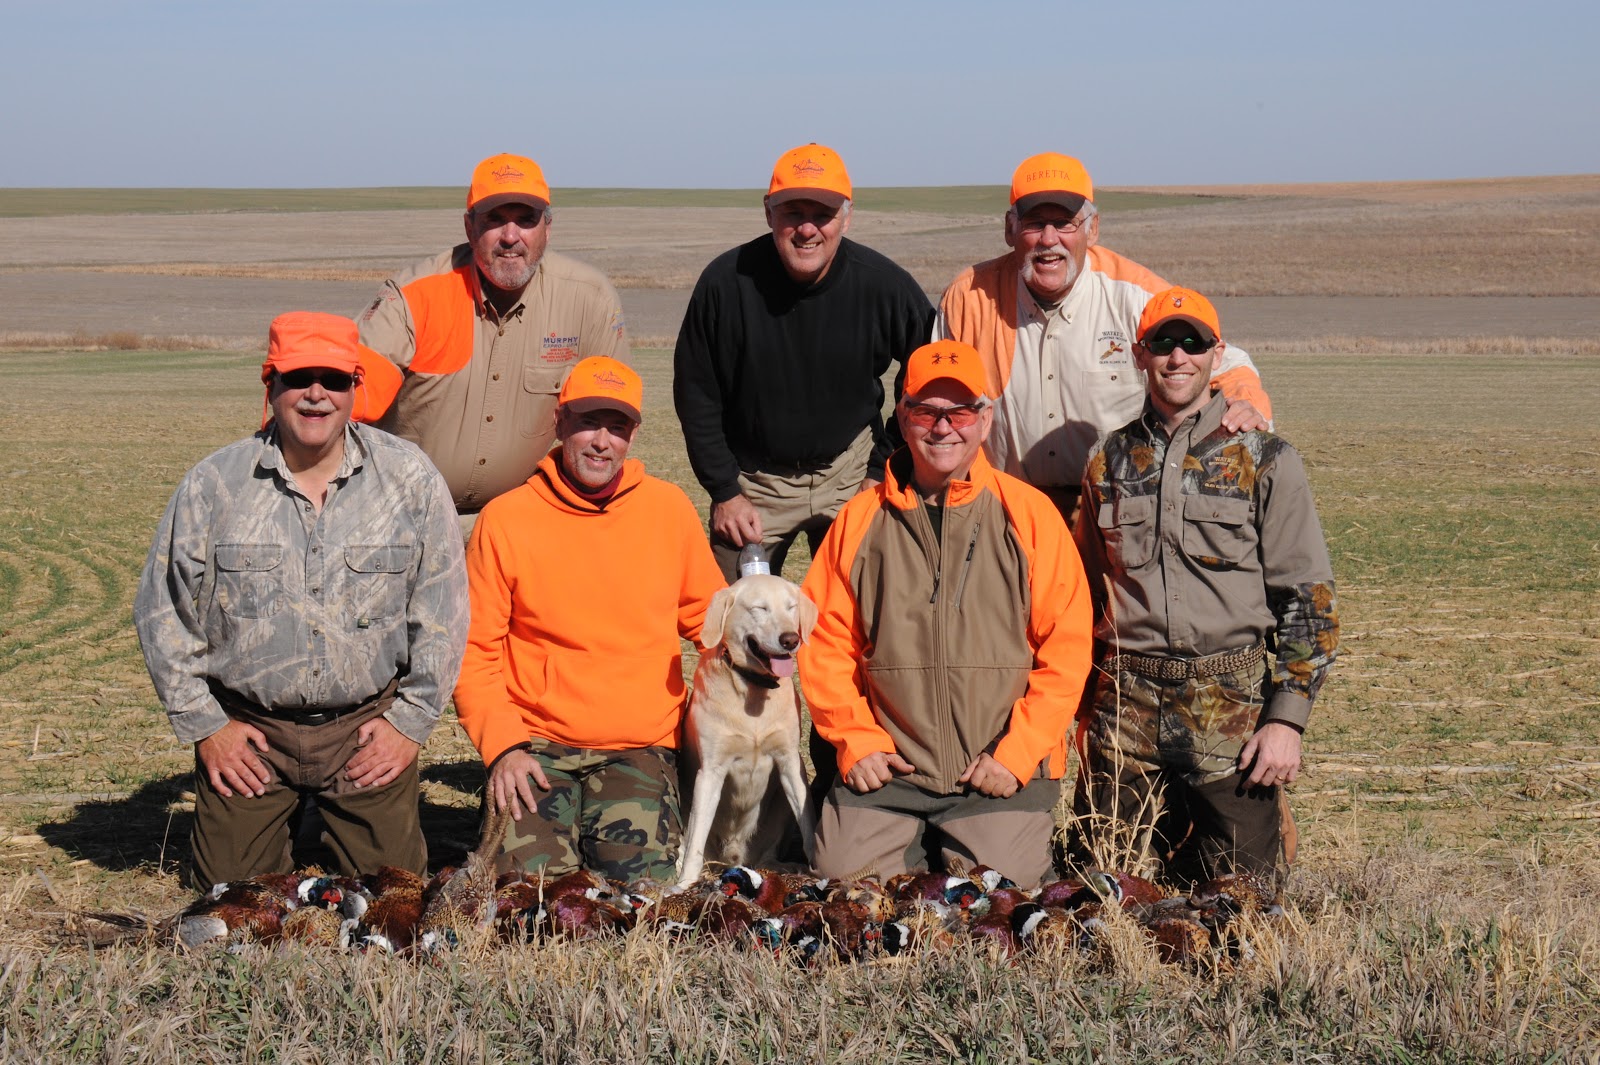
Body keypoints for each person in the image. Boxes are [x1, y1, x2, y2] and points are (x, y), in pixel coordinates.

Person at [133, 311, 469, 889]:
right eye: (298, 378)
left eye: (334, 380)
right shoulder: (215, 484)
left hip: (365, 728)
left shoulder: (409, 479)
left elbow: (444, 612)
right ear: (271, 385)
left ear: (355, 389)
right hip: (252, 732)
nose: (317, 394)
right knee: (233, 901)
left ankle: (331, 819)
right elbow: (162, 611)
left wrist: (408, 724)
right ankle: (278, 821)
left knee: (393, 893)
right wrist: (208, 728)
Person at [797, 340, 1094, 888]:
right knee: (843, 887)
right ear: (902, 417)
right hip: (892, 767)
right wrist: (857, 740)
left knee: (1004, 897)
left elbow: (1067, 650)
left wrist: (1017, 753)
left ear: (985, 419)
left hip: (994, 767)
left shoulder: (1030, 516)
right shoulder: (860, 520)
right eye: (926, 412)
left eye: (959, 412)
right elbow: (824, 645)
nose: (942, 428)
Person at [1072, 287, 1340, 884]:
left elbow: (1310, 603)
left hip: (1230, 704)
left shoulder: (1265, 457)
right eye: (1162, 342)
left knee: (1243, 898)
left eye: (1193, 343)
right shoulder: (1106, 461)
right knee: (1105, 887)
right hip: (1126, 705)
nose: (1178, 356)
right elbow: (1082, 597)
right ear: (1139, 355)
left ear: (1217, 355)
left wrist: (1286, 722)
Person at [453, 356, 724, 882]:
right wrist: (503, 746)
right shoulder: (506, 519)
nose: (602, 441)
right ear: (559, 423)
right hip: (535, 744)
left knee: (639, 890)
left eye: (617, 427)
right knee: (529, 892)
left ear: (633, 436)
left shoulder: (668, 511)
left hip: (638, 746)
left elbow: (711, 624)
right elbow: (473, 651)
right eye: (588, 422)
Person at [937, 152, 1272, 522]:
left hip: (1113, 511)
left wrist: (1246, 403)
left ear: (1092, 229)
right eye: (1034, 223)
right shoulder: (968, 299)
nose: (1049, 239)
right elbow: (935, 400)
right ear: (1009, 229)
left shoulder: (1138, 297)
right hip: (1003, 509)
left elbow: (1227, 362)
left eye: (1065, 223)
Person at [673, 142, 936, 582]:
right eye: (793, 212)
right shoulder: (725, 284)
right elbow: (696, 392)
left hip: (851, 472)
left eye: (823, 214)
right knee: (735, 611)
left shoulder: (882, 284)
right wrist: (725, 491)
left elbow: (929, 374)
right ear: (768, 211)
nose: (807, 229)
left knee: (871, 605)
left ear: (847, 217)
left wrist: (883, 467)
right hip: (754, 482)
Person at [358, 152, 630, 531]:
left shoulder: (590, 299)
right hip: (405, 517)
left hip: (520, 522)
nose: (510, 237)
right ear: (469, 228)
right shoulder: (414, 296)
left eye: (526, 220)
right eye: (494, 219)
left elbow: (612, 423)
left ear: (548, 228)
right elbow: (348, 399)